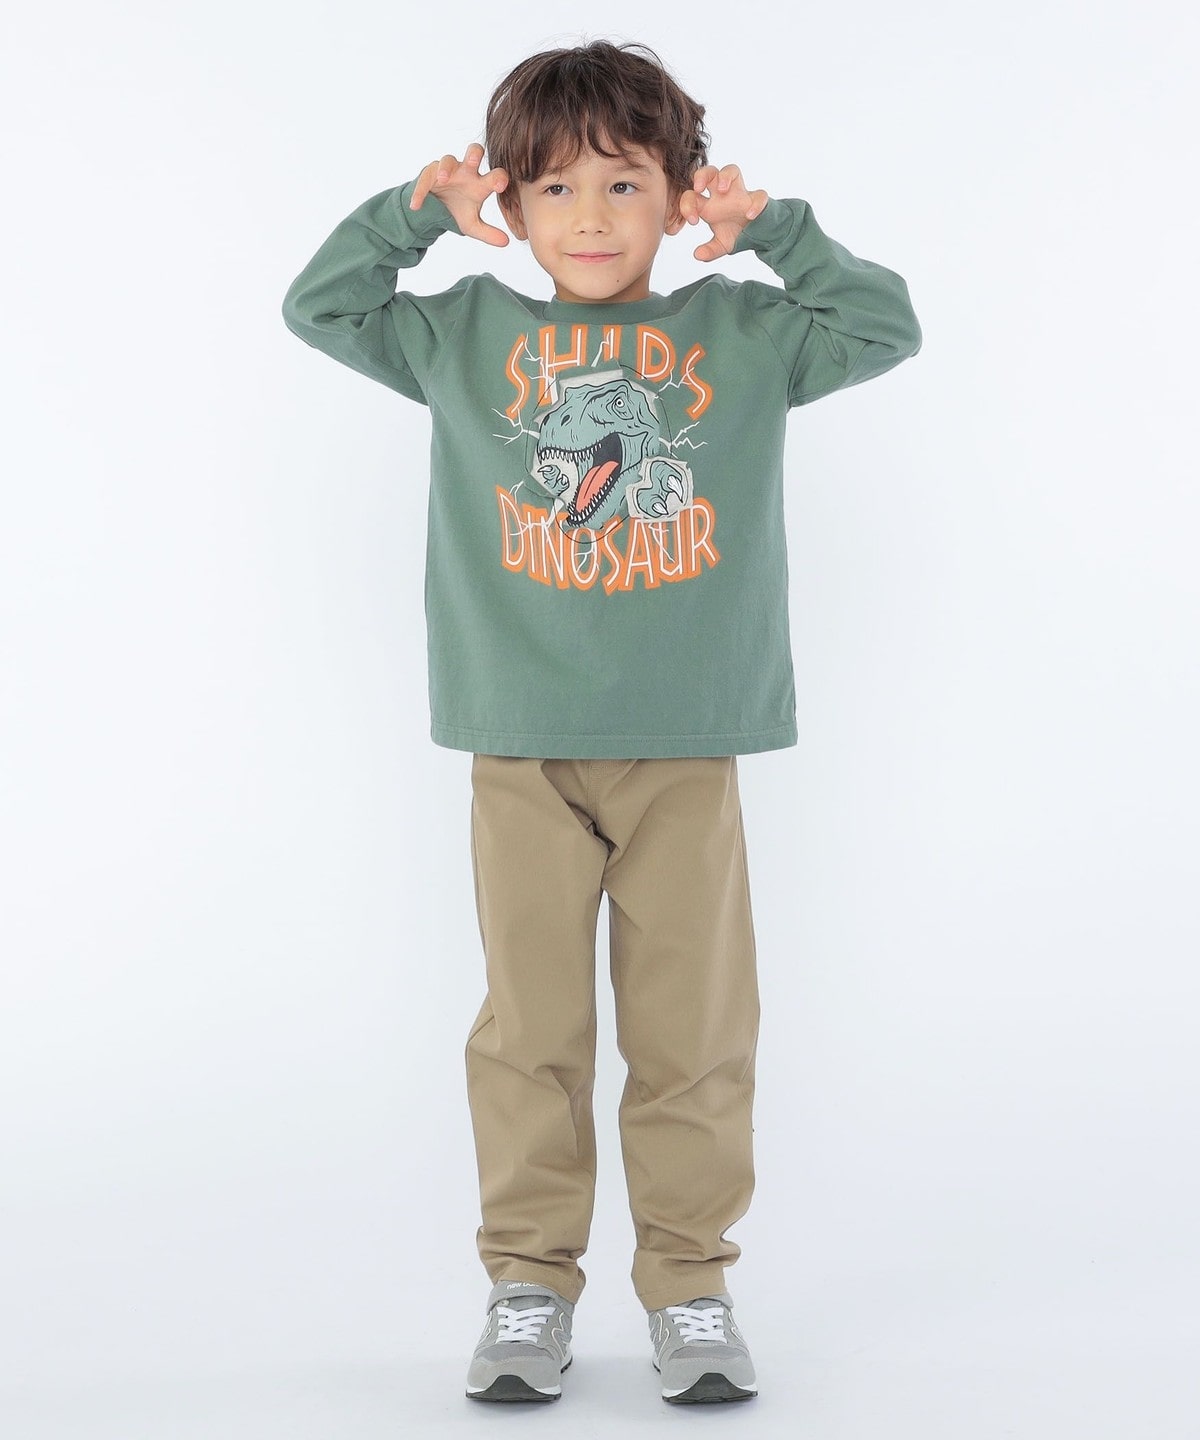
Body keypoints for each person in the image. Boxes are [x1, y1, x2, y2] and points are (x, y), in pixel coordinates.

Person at [282, 37, 921, 1407]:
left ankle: (690, 1284)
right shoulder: (463, 334)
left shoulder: (741, 336)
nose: (589, 217)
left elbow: (883, 327)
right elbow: (321, 307)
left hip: (686, 745)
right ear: (510, 206)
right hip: (519, 743)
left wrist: (774, 233)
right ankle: (529, 1283)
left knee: (693, 1034)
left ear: (679, 197)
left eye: (625, 184)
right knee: (531, 1033)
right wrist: (413, 214)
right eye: (555, 187)